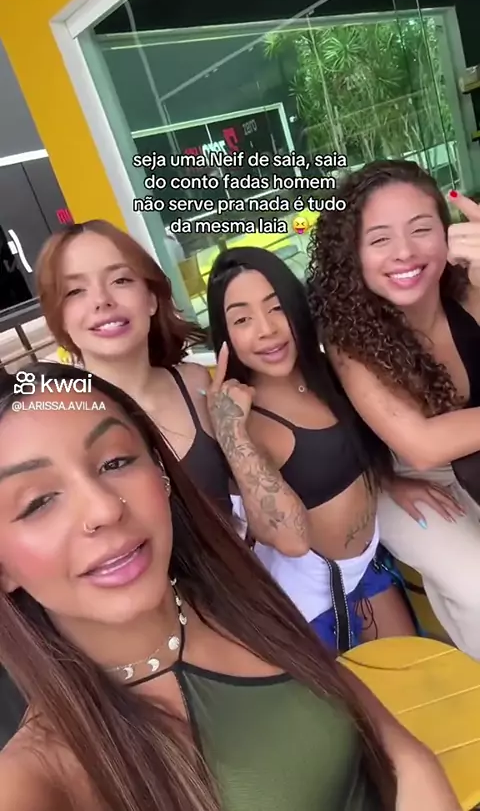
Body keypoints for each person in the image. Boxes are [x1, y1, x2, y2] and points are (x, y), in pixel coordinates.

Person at [0, 364, 460, 811]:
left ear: (161, 471)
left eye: (115, 461)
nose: (103, 508)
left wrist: (417, 768)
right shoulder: (40, 771)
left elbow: (386, 738)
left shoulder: (225, 591)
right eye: (38, 502)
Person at [35, 220, 310, 554]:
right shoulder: (57, 424)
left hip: (247, 580)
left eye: (121, 280)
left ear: (151, 298)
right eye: (75, 291)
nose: (102, 300)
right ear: (59, 317)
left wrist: (234, 433)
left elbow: (288, 537)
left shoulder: (195, 383)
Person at [205, 246, 430, 652]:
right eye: (242, 319)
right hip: (310, 605)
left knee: (419, 676)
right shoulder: (246, 421)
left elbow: (354, 451)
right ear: (226, 338)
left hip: (365, 571)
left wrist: (392, 483)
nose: (266, 329)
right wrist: (231, 431)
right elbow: (289, 539)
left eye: (276, 307)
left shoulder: (329, 373)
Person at [308, 158, 480, 658]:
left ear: (447, 234)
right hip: (402, 480)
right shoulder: (347, 336)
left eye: (421, 229)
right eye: (379, 238)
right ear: (353, 254)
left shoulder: (470, 291)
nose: (404, 251)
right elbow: (422, 446)